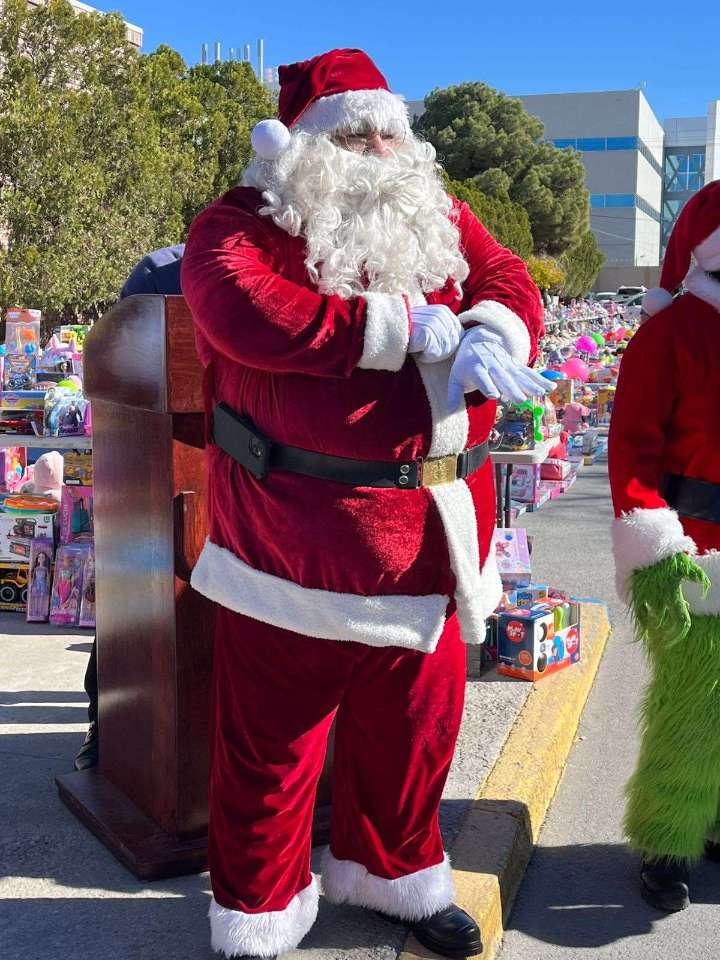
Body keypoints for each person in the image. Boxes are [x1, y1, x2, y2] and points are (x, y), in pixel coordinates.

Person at [182, 48, 547, 959]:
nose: (379, 147)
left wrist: (495, 329)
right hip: (292, 551)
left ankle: (398, 880)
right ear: (304, 144)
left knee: (413, 742)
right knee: (271, 759)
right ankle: (259, 921)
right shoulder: (246, 220)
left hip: (429, 548)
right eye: (354, 131)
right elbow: (237, 306)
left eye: (390, 128)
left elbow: (508, 274)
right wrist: (390, 331)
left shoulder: (439, 214)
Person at [609, 179, 720, 912]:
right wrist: (655, 542)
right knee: (691, 710)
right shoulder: (671, 333)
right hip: (698, 557)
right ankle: (666, 839)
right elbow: (634, 450)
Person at [73, 243, 185, 771]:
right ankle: (107, 726)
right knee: (133, 609)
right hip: (151, 484)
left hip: (255, 480)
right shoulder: (162, 271)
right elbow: (120, 355)